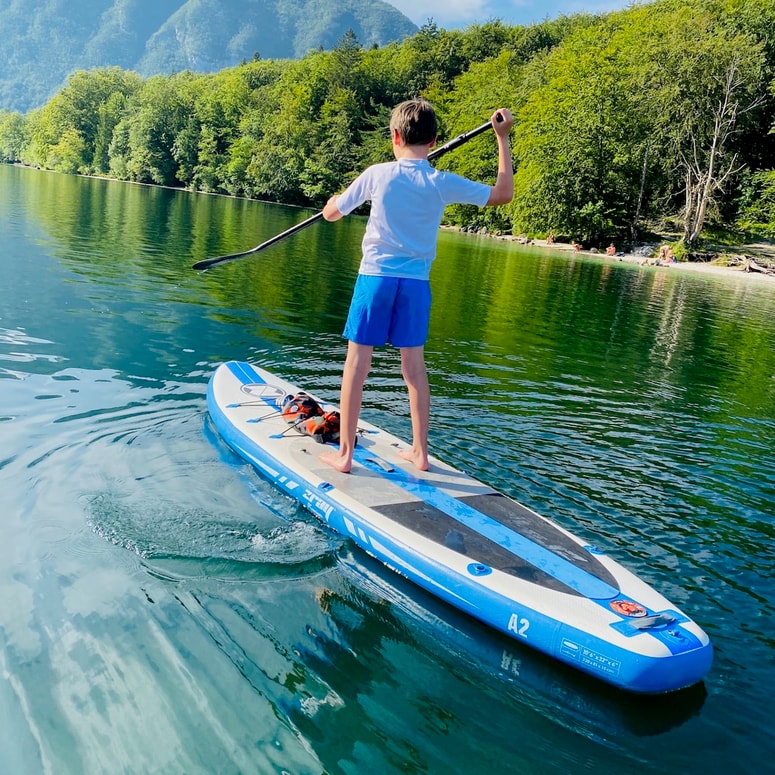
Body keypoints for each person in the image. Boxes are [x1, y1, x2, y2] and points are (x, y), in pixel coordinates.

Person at [319, 99, 514, 473]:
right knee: (414, 369)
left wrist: (331, 203)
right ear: (434, 139)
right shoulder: (440, 182)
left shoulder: (377, 174)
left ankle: (345, 456)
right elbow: (503, 194)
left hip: (375, 278)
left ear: (394, 136)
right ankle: (421, 453)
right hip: (415, 286)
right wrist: (501, 138)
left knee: (356, 365)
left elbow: (332, 214)